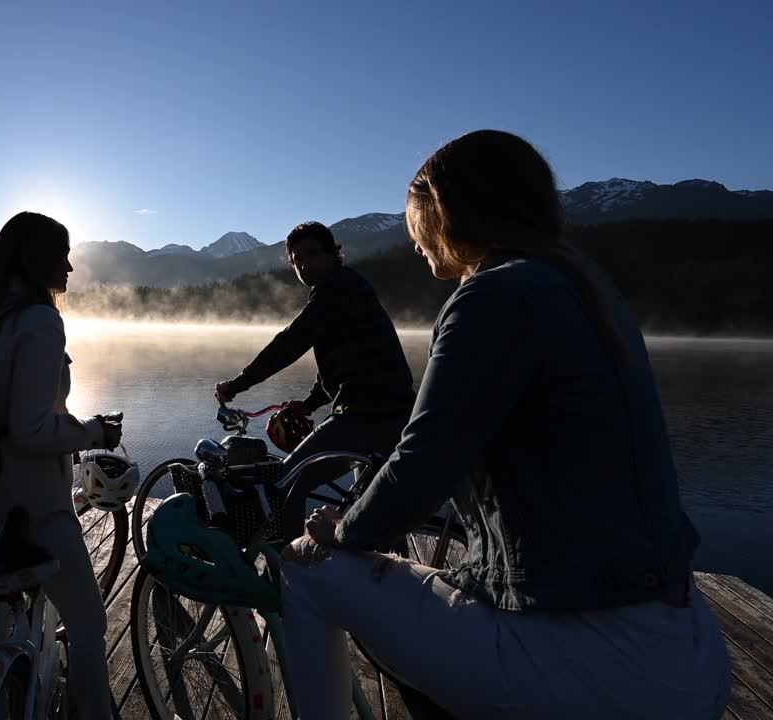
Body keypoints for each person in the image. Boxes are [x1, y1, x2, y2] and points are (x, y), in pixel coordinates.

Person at [279, 131, 731, 719]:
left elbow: (423, 463)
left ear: (447, 212)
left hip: (593, 661)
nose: (413, 239)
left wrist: (343, 528)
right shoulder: (587, 287)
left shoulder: (491, 298)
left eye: (416, 218)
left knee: (305, 570)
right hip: (686, 647)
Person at [0, 211, 120, 720]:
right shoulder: (40, 321)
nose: (70, 266)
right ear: (36, 259)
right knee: (88, 626)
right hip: (37, 515)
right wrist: (95, 433)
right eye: (61, 254)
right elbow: (32, 428)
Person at [214, 221, 416, 470]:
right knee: (365, 502)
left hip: (366, 415)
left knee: (288, 479)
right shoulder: (347, 285)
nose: (304, 264)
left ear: (333, 254)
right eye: (297, 259)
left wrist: (235, 386)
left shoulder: (336, 290)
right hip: (393, 411)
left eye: (313, 254)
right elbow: (344, 361)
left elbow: (289, 344)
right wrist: (309, 404)